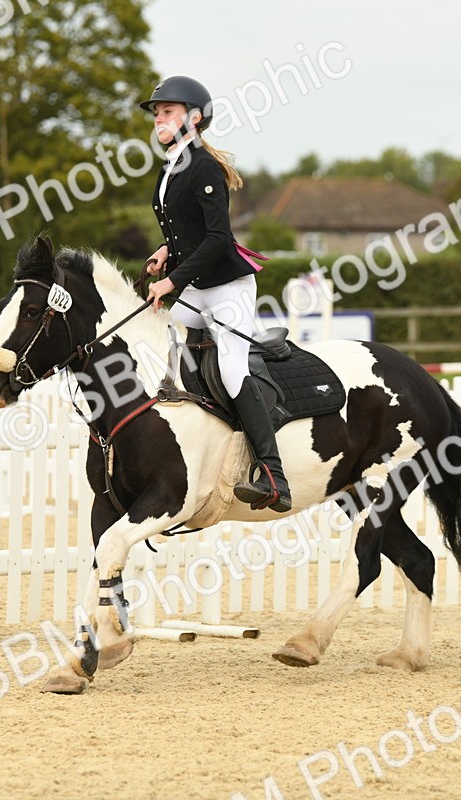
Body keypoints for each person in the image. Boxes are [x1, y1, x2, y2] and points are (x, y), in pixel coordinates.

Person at [141, 75, 291, 513]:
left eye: (167, 112)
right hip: (196, 285)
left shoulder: (203, 166)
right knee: (166, 353)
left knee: (230, 367)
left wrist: (171, 281)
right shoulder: (170, 166)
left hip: (226, 287)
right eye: (157, 113)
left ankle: (273, 475)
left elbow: (218, 238)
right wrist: (166, 251)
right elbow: (185, 230)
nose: (159, 119)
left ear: (194, 118)